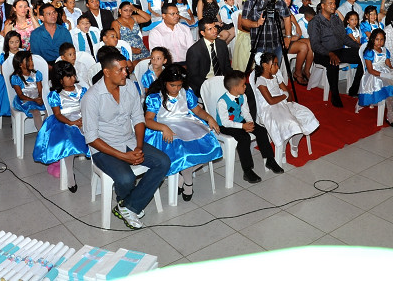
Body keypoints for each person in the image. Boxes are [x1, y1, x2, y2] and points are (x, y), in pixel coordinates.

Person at [81, 51, 170, 229]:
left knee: (163, 161)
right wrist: (124, 157)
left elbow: (138, 118)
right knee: (126, 178)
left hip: (129, 140)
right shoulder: (91, 98)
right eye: (121, 70)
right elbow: (91, 138)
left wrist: (138, 147)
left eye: (126, 69)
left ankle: (128, 205)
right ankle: (128, 203)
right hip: (104, 148)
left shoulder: (129, 86)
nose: (126, 73)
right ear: (107, 72)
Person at [143, 65, 222, 202]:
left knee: (211, 146)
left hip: (186, 122)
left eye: (179, 85)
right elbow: (147, 120)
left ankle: (183, 176)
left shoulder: (186, 93)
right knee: (184, 153)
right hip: (164, 126)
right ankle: (188, 183)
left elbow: (197, 111)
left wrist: (209, 118)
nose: (176, 89)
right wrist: (163, 127)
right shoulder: (156, 97)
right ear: (164, 82)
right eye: (172, 85)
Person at [216, 70, 284, 183]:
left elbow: (246, 112)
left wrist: (250, 123)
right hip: (226, 125)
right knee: (244, 138)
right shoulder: (223, 102)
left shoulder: (242, 96)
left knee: (261, 130)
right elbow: (225, 122)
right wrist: (242, 126)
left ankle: (270, 160)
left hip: (240, 121)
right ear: (235, 87)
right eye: (243, 85)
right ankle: (247, 171)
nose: (245, 87)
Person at [33, 61, 89, 193]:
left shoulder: (82, 90)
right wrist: (71, 122)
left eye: (73, 75)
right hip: (64, 121)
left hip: (82, 117)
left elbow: (88, 107)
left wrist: (84, 119)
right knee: (67, 142)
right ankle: (70, 176)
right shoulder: (55, 95)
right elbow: (57, 114)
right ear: (60, 80)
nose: (73, 79)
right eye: (68, 77)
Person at [252, 53, 319, 159]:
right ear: (265, 65)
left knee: (305, 116)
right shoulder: (261, 81)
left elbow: (287, 91)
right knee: (291, 123)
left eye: (277, 64)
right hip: (270, 109)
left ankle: (294, 144)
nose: (277, 67)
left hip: (282, 104)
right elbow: (270, 101)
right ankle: (282, 149)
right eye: (274, 64)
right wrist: (284, 96)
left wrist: (289, 101)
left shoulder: (275, 77)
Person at [308, 0, 363, 108]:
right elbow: (315, 45)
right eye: (330, 4)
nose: (334, 6)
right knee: (333, 63)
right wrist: (329, 53)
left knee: (364, 56)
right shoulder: (315, 22)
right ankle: (335, 94)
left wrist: (359, 46)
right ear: (323, 6)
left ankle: (354, 89)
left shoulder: (336, 19)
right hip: (322, 53)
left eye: (334, 3)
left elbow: (344, 38)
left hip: (338, 50)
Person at [358, 28, 393, 126]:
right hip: (374, 75)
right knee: (389, 88)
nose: (379, 42)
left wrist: (392, 72)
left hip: (386, 72)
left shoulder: (385, 50)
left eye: (382, 39)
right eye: (377, 39)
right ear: (372, 39)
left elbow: (388, 64)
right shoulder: (369, 52)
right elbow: (370, 70)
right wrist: (383, 75)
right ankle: (389, 114)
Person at [242, 0, 292, 65]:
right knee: (260, 72)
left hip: (276, 43)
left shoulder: (279, 0)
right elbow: (243, 21)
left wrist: (288, 37)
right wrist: (257, 24)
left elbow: (287, 17)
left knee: (275, 70)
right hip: (259, 43)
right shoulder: (251, 1)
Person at [186, 18, 233, 97]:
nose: (214, 31)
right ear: (202, 33)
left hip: (222, 80)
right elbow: (193, 76)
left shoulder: (222, 44)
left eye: (215, 27)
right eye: (210, 29)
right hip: (205, 83)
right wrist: (211, 85)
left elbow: (227, 67)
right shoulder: (194, 50)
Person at [10, 49, 45, 130]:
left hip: (37, 98)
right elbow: (21, 95)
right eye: (28, 60)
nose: (32, 62)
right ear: (20, 64)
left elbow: (40, 90)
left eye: (31, 60)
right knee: (36, 112)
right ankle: (41, 133)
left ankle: (45, 128)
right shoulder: (16, 78)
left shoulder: (37, 74)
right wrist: (34, 100)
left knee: (49, 108)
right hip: (25, 101)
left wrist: (41, 98)